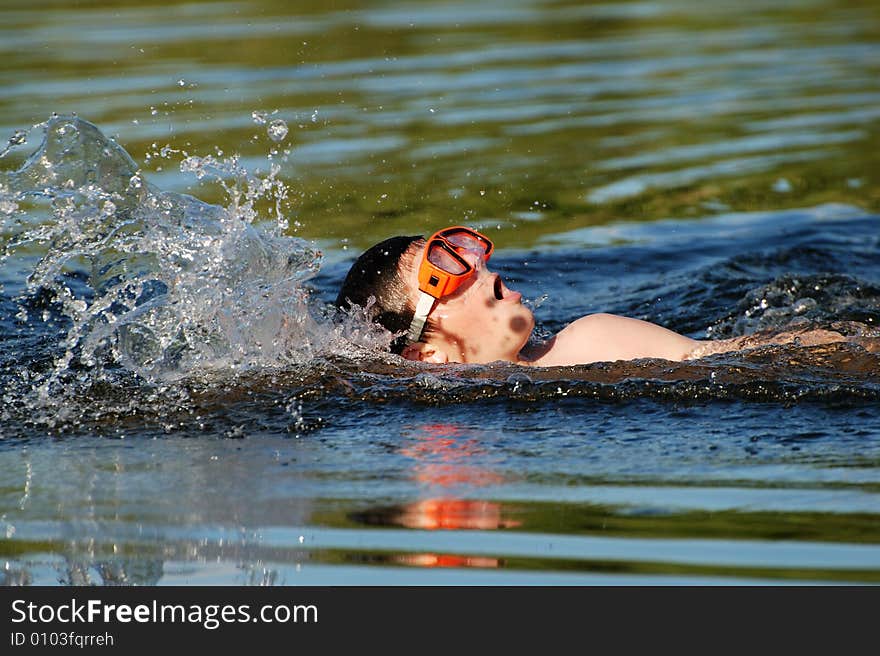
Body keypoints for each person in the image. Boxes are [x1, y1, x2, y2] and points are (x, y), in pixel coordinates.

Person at [334, 226, 853, 366]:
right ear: (426, 354)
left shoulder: (588, 341)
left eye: (469, 254)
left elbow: (734, 357)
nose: (475, 264)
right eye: (444, 269)